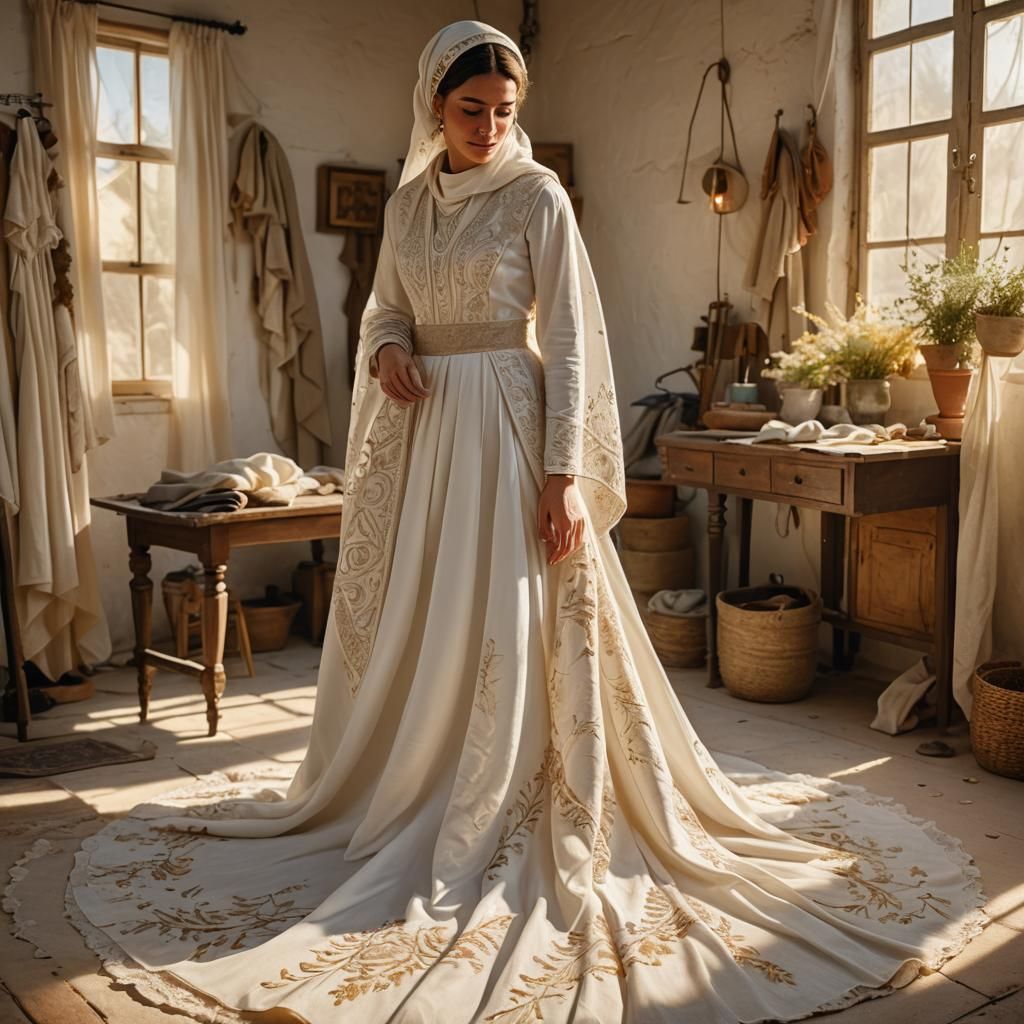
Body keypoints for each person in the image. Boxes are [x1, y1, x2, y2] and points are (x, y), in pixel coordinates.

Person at [65, 20, 985, 1024]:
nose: (489, 127)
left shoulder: (536, 195)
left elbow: (578, 342)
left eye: (505, 111)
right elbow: (382, 312)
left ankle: (513, 788)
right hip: (427, 444)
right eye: (471, 110)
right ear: (433, 104)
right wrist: (384, 356)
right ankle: (420, 775)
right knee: (432, 612)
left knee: (514, 615)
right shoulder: (410, 204)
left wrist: (562, 476)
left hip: (510, 424)